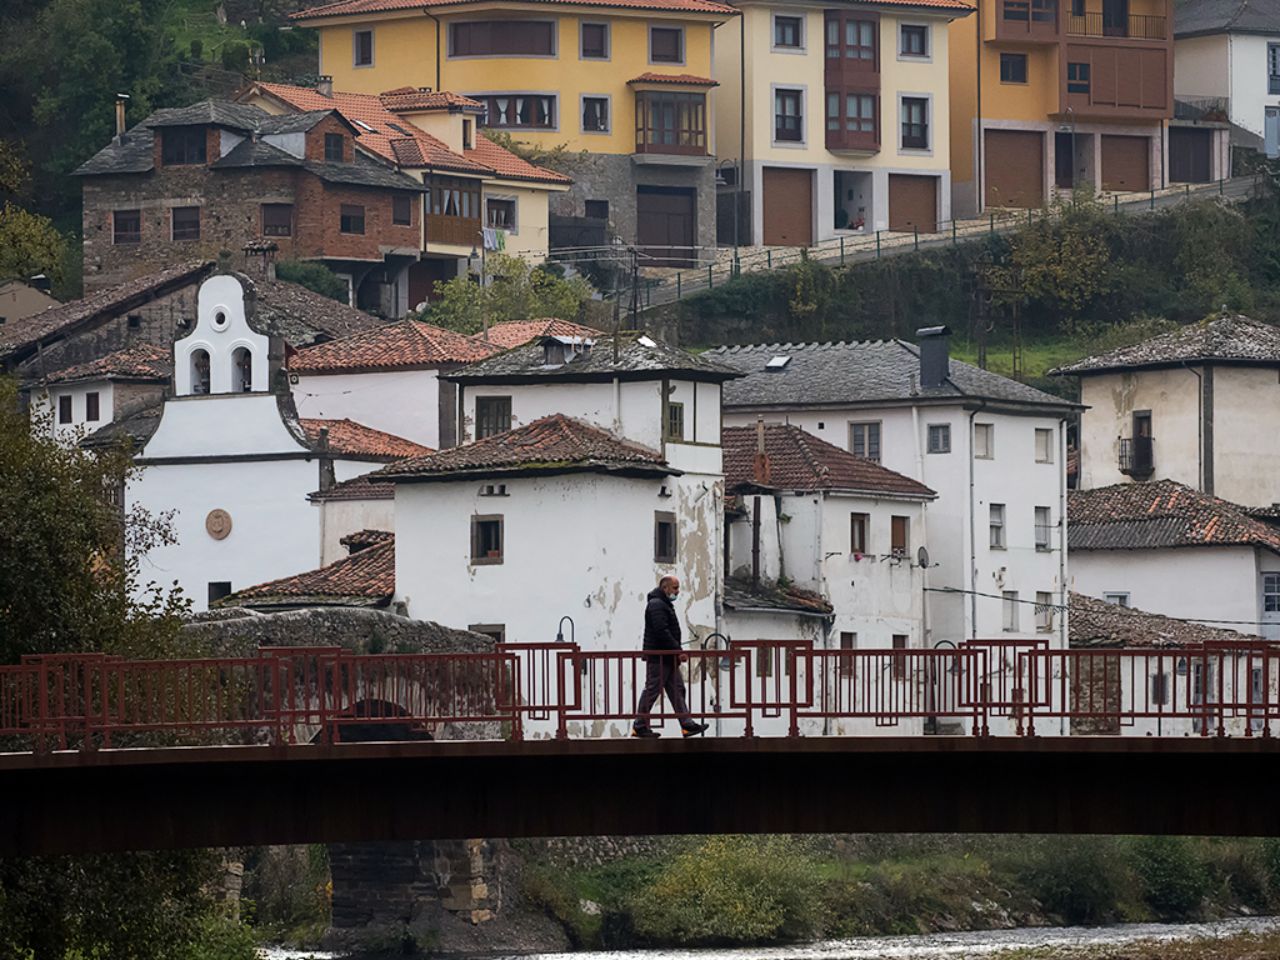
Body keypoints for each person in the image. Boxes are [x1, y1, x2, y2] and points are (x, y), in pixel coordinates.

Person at [632, 576, 709, 738]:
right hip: (660, 656)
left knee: (677, 690)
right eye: (675, 588)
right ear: (665, 588)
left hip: (666, 657)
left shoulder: (661, 604)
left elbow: (664, 630)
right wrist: (677, 650)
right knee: (653, 689)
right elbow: (662, 631)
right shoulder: (657, 605)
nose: (677, 592)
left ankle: (687, 725)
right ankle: (639, 725)